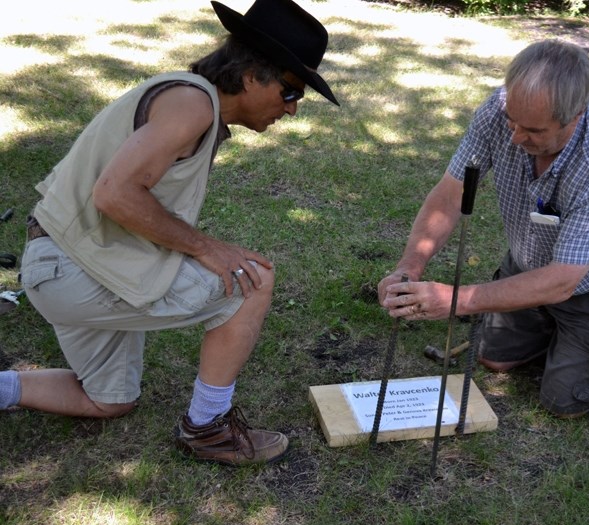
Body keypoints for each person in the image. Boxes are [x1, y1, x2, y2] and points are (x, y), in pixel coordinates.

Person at [0, 0, 339, 465]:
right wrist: (205, 248)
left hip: (68, 261)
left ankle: (4, 389)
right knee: (253, 280)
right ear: (250, 76)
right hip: (72, 269)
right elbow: (115, 194)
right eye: (290, 91)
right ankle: (207, 427)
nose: (293, 109)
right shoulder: (192, 104)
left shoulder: (188, 100)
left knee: (109, 399)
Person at [378, 40, 589, 419]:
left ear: (575, 115)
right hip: (535, 259)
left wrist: (457, 299)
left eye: (532, 130)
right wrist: (410, 265)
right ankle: (563, 331)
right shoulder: (500, 109)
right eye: (512, 120)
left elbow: (563, 280)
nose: (513, 137)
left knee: (565, 400)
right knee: (494, 360)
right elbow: (450, 194)